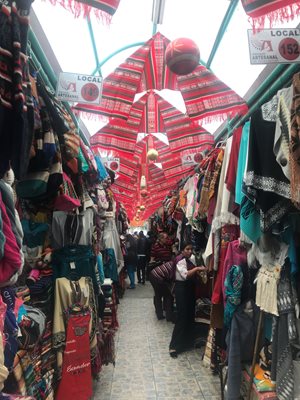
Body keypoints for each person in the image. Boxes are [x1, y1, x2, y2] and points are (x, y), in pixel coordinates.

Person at [169, 242, 206, 358]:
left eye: (191, 249)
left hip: (189, 289)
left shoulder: (191, 259)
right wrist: (197, 269)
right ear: (182, 250)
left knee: (190, 315)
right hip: (182, 289)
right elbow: (185, 275)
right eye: (187, 249)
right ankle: (174, 346)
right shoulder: (180, 260)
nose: (190, 251)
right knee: (182, 316)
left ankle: (186, 343)